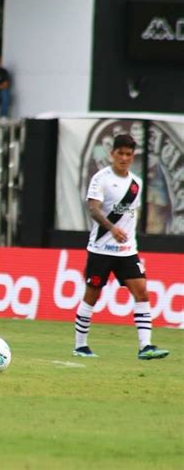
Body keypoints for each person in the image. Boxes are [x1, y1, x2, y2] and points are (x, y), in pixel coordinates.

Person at [73, 133, 169, 360]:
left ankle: (145, 347)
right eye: (120, 153)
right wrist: (112, 228)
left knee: (142, 292)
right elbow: (94, 209)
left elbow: (133, 214)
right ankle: (80, 346)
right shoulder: (101, 179)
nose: (124, 158)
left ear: (132, 156)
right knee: (92, 296)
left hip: (127, 251)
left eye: (128, 154)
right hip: (101, 250)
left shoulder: (136, 184)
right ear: (112, 154)